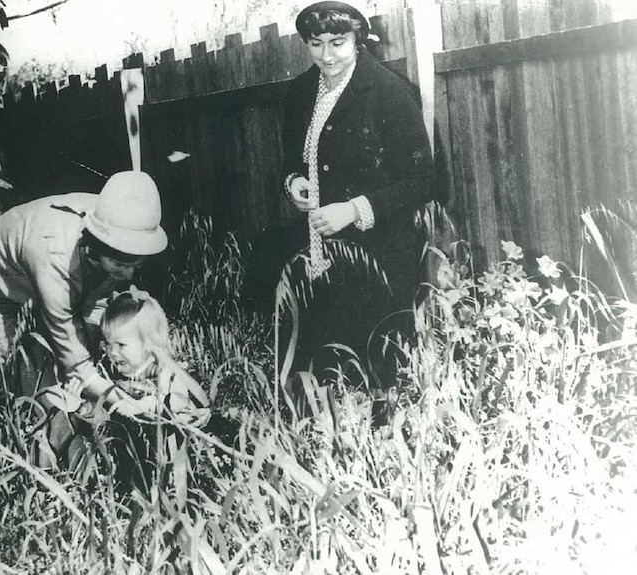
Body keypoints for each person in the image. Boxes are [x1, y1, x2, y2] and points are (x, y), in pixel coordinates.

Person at [248, 2, 435, 385]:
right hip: (320, 257)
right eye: (316, 44)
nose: (327, 55)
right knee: (325, 371)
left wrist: (353, 210)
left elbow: (424, 181)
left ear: (357, 39)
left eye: (338, 43)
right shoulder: (301, 92)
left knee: (379, 372)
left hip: (379, 257)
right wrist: (294, 183)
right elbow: (291, 161)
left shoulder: (389, 91)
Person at [0, 170, 169, 462]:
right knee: (12, 379)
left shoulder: (122, 222)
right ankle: (21, 455)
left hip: (37, 275)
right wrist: (118, 400)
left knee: (70, 372)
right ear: (97, 247)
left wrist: (91, 371)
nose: (129, 274)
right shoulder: (56, 254)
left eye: (137, 264)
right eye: (122, 264)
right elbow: (74, 352)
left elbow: (92, 306)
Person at [60, 288, 210, 491]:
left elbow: (180, 400)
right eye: (107, 344)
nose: (113, 352)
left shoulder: (164, 372)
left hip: (162, 459)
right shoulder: (110, 375)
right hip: (126, 458)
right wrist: (80, 407)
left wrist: (150, 404)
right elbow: (101, 417)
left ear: (149, 344)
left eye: (121, 344)